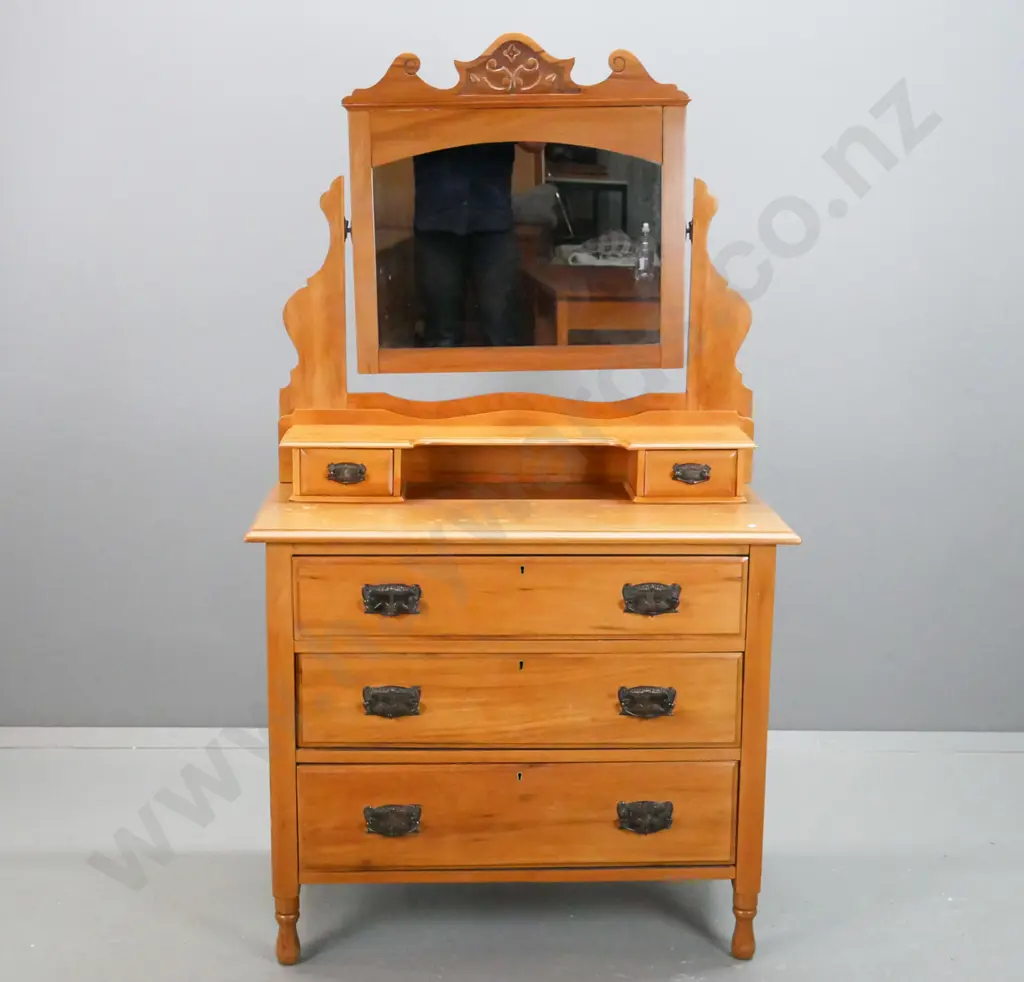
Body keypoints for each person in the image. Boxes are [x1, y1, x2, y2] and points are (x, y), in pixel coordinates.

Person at [413, 142, 541, 347]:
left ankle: (502, 378)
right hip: (437, 219)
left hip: (493, 221)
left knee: (502, 330)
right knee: (441, 334)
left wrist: (499, 113)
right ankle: (444, 379)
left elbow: (537, 142)